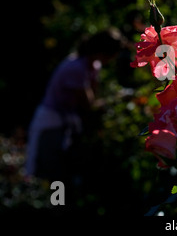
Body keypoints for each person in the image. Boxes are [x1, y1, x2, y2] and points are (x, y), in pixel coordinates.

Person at [25, 28, 124, 181]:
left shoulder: (92, 66)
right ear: (103, 53)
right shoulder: (76, 68)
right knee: (46, 172)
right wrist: (117, 100)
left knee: (60, 172)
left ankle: (56, 202)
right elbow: (88, 104)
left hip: (64, 122)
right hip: (51, 123)